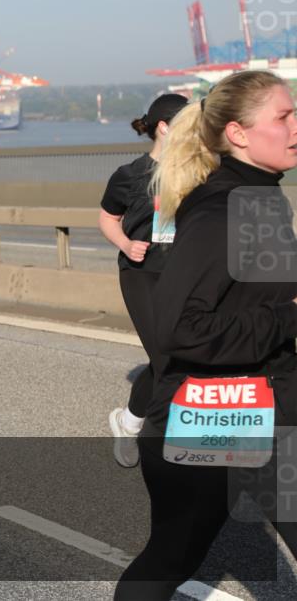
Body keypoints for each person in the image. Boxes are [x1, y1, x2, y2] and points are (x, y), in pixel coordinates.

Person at [115, 71, 297, 599]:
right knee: (170, 557)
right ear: (238, 134)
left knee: (170, 557)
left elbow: (253, 297)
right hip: (218, 414)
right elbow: (182, 328)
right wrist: (289, 318)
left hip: (256, 404)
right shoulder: (223, 210)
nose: (295, 126)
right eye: (282, 117)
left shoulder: (259, 198)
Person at [100, 94, 188, 467]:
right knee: (166, 357)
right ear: (165, 127)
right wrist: (125, 242)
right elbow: (107, 218)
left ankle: (129, 421)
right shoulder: (129, 175)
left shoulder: (199, 171)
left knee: (179, 357)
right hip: (141, 275)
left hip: (183, 275)